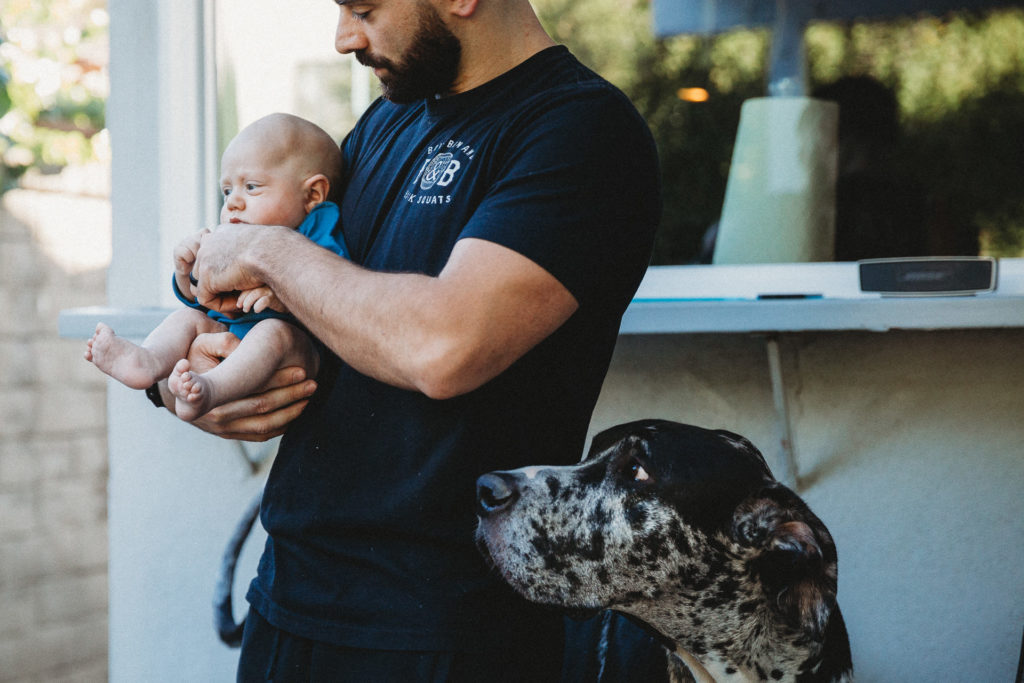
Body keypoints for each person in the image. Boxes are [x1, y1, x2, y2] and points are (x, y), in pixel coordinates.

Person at [179, 1, 661, 680]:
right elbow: (320, 304)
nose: (344, 37)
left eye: (364, 8)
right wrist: (219, 362)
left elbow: (444, 344)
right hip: (290, 598)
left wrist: (263, 249)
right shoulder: (387, 120)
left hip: (444, 626)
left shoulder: (580, 130)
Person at [86, 113, 347, 421]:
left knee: (273, 332)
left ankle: (207, 390)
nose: (233, 203)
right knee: (187, 318)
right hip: (230, 336)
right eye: (227, 191)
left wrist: (282, 296)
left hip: (294, 349)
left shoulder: (318, 230)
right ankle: (148, 361)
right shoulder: (230, 237)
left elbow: (330, 291)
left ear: (312, 195)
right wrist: (188, 274)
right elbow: (202, 299)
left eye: (251, 187)